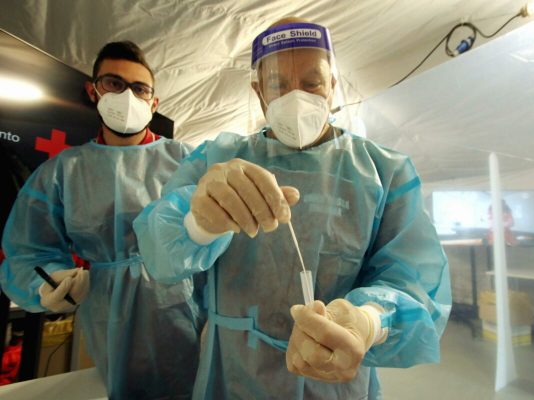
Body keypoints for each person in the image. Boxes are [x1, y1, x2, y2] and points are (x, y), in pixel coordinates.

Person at [134, 18, 451, 399]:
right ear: (258, 92)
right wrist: (198, 224)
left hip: (336, 381)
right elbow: (158, 255)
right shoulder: (217, 158)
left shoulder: (384, 172)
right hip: (233, 375)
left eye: (312, 82)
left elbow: (414, 281)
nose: (296, 97)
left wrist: (368, 320)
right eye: (278, 85)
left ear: (332, 85)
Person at [0, 41, 201, 399]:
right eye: (114, 83)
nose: (127, 96)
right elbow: (27, 250)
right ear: (94, 92)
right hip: (109, 310)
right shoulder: (63, 171)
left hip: (183, 305)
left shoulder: (187, 160)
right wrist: (47, 284)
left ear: (153, 103)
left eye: (139, 88)